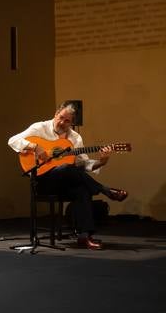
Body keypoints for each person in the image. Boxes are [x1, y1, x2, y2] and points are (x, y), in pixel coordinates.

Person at [8, 102, 128, 249]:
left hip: (64, 182)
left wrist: (102, 161)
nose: (63, 122)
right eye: (61, 118)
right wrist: (35, 147)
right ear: (56, 114)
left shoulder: (75, 138)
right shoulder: (39, 128)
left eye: (67, 121)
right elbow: (12, 140)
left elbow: (83, 164)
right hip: (42, 181)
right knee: (66, 168)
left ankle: (84, 236)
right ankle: (105, 190)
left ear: (72, 123)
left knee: (82, 189)